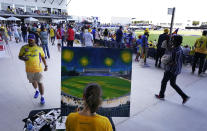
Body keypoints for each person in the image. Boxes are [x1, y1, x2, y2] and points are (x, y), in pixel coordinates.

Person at [155, 35, 190, 104]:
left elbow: (173, 62)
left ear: (176, 41)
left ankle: (161, 95)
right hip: (177, 70)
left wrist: (165, 62)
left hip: (171, 70)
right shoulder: (180, 48)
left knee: (164, 82)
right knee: (173, 83)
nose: (172, 41)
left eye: (173, 40)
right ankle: (184, 96)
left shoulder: (175, 50)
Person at [18, 34, 48, 104]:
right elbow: (19, 56)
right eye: (29, 40)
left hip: (38, 69)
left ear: (34, 40)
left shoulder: (39, 48)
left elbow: (43, 57)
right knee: (33, 81)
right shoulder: (23, 47)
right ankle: (37, 90)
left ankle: (42, 97)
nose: (30, 41)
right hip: (29, 70)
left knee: (40, 82)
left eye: (31, 40)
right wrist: (23, 58)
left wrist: (46, 66)